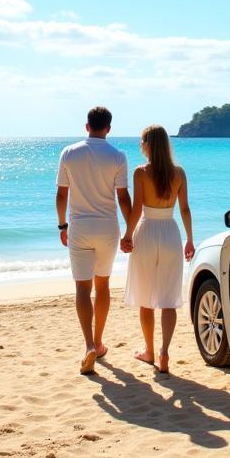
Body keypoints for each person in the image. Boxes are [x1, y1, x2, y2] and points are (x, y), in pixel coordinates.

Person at [56, 106, 131, 375]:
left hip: (80, 227)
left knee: (82, 288)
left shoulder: (69, 153)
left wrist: (62, 224)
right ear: (108, 128)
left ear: (86, 126)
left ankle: (88, 344)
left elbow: (61, 195)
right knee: (103, 286)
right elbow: (123, 198)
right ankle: (99, 343)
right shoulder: (118, 156)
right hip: (107, 228)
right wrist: (130, 231)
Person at [121, 125, 195, 374]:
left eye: (142, 141)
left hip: (148, 232)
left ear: (148, 144)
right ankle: (164, 353)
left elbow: (138, 208)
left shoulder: (141, 172)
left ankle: (150, 351)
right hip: (171, 232)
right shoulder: (180, 173)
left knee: (147, 298)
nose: (140, 145)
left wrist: (127, 235)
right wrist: (190, 239)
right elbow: (184, 209)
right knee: (168, 299)